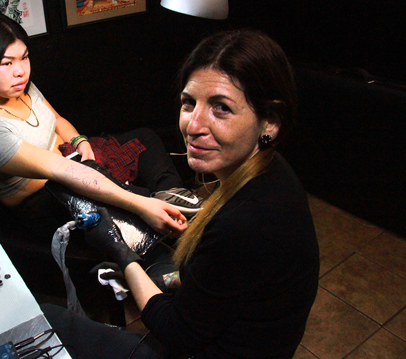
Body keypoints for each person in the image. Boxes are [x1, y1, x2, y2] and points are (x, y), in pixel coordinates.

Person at [42, 29, 320, 358]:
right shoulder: (269, 170)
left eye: (222, 109)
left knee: (49, 318)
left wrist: (122, 255)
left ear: (269, 123)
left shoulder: (248, 221)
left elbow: (178, 333)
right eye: (189, 103)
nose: (193, 125)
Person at [0, 11, 196, 239]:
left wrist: (78, 141)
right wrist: (141, 204)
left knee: (144, 138)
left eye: (24, 57)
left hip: (69, 161)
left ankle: (173, 197)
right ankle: (167, 217)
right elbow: (59, 170)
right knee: (137, 202)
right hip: (48, 197)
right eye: (7, 63)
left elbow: (58, 121)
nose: (21, 71)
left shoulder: (19, 88)